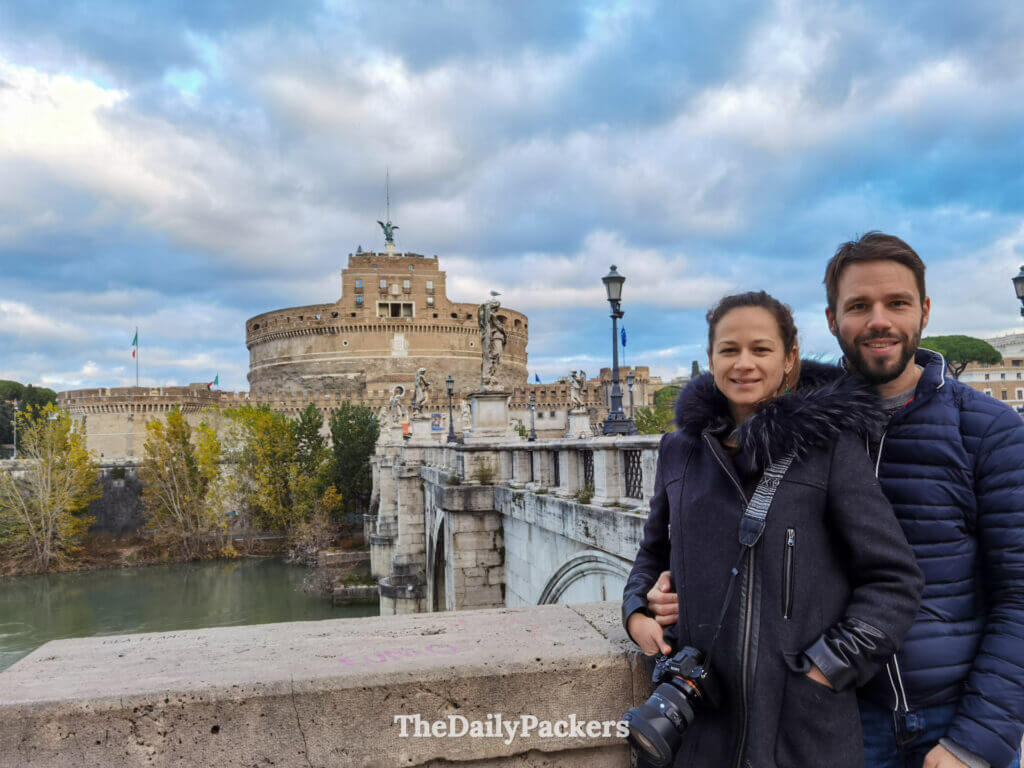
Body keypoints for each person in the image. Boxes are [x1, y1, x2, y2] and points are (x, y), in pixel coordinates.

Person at [622, 290, 924, 768]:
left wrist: (825, 669)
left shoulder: (831, 449)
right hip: (703, 729)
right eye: (729, 350)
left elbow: (894, 580)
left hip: (803, 733)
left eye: (761, 349)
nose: (744, 364)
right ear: (710, 359)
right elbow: (652, 553)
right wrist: (638, 608)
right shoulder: (679, 451)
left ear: (789, 359)